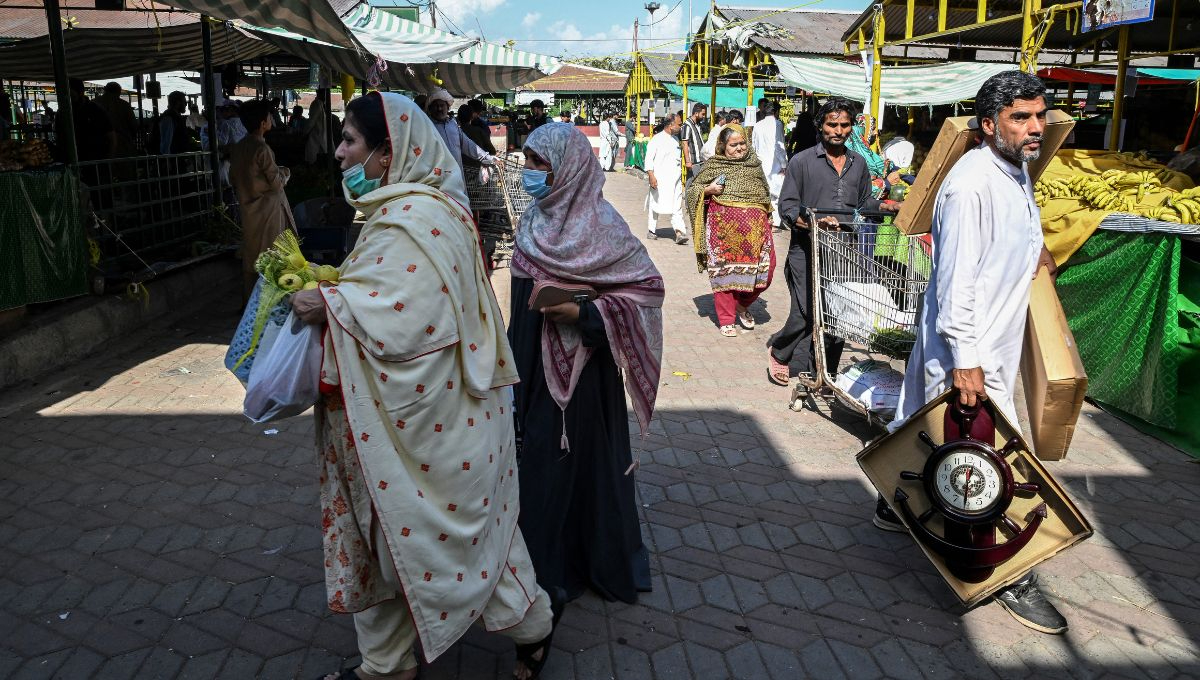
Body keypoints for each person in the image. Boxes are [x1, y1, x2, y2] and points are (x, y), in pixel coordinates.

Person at [287, 92, 563, 680]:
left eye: (350, 141)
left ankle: (534, 625)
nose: (338, 153)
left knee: (441, 540)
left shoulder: (414, 221)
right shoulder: (417, 213)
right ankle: (385, 663)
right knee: (389, 532)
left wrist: (329, 302)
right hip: (404, 415)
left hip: (425, 422)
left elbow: (408, 319)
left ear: (389, 154)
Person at [879, 70, 1065, 635]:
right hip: (970, 348)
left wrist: (1036, 253)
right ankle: (1003, 574)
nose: (1036, 128)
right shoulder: (971, 185)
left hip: (991, 342)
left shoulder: (1016, 170)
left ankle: (893, 504)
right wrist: (966, 360)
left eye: (1040, 116)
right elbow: (956, 279)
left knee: (930, 435)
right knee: (987, 469)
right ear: (988, 126)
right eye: (1021, 118)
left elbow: (1004, 245)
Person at [508, 122, 665, 606]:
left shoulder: (603, 226)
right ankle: (539, 566)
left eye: (540, 165)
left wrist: (583, 313)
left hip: (584, 382)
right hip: (529, 364)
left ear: (569, 169)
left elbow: (647, 291)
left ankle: (580, 565)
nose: (529, 173)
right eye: (529, 162)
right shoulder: (533, 220)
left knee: (577, 466)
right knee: (536, 464)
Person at [766, 98, 897, 386]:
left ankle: (824, 372)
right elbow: (787, 208)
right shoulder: (801, 161)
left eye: (844, 125)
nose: (838, 130)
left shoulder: (858, 162)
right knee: (805, 312)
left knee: (838, 312)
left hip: (842, 250)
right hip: (806, 250)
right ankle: (780, 352)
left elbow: (864, 204)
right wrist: (814, 222)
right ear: (820, 126)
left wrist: (886, 207)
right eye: (832, 124)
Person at [685, 124, 776, 337]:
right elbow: (692, 192)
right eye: (733, 145)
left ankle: (742, 305)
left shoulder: (754, 165)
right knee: (726, 273)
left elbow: (764, 192)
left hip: (757, 230)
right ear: (723, 146)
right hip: (722, 231)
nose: (739, 148)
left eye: (742, 143)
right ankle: (726, 318)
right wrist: (709, 190)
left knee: (768, 271)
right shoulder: (714, 165)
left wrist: (769, 213)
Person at [228, 100, 296, 296]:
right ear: (262, 123)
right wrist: (285, 172)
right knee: (273, 255)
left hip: (248, 209)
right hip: (268, 210)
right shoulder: (262, 148)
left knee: (251, 256)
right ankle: (269, 302)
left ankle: (248, 301)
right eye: (269, 116)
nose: (271, 119)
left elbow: (233, 177)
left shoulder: (239, 147)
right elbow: (276, 183)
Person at [425, 88, 495, 208]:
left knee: (460, 209)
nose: (439, 109)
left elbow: (469, 145)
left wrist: (488, 158)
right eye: (435, 106)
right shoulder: (426, 126)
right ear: (430, 108)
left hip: (457, 178)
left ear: (448, 107)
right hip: (438, 181)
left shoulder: (453, 125)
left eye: (442, 105)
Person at [645, 114, 688, 244]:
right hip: (660, 180)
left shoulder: (675, 139)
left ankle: (679, 233)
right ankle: (651, 230)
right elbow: (648, 159)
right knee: (655, 204)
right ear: (671, 125)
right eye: (679, 124)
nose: (680, 127)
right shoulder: (656, 140)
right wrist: (651, 176)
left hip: (675, 180)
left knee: (677, 207)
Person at [750, 100, 788, 226]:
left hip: (761, 164)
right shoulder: (778, 124)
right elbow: (780, 146)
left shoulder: (758, 125)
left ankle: (763, 218)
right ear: (776, 112)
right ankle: (775, 222)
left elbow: (753, 146)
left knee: (763, 193)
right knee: (776, 195)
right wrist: (784, 165)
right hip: (774, 164)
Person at [57, 79, 114, 162]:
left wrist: (109, 160)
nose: (68, 97)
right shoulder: (62, 112)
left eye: (71, 94)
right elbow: (59, 136)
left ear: (80, 92)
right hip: (71, 160)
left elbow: (111, 136)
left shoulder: (95, 110)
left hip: (95, 160)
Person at [97, 82, 137, 158]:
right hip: (122, 144)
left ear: (105, 90)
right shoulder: (124, 105)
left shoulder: (94, 103)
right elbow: (133, 125)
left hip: (100, 144)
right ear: (118, 92)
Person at [149, 90, 192, 155]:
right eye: (184, 102)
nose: (186, 104)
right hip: (174, 160)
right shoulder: (168, 118)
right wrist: (167, 160)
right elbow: (165, 144)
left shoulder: (173, 117)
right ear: (178, 102)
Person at [681, 102, 708, 181]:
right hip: (693, 162)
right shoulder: (687, 125)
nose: (704, 116)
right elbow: (684, 143)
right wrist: (688, 161)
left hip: (700, 160)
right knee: (692, 183)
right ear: (696, 113)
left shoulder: (698, 124)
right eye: (702, 114)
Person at [304, 89, 329, 165]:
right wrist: (305, 133)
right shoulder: (316, 104)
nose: (326, 96)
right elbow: (311, 122)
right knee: (314, 160)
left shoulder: (321, 104)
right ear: (319, 94)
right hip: (315, 137)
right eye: (324, 93)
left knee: (320, 158)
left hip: (320, 137)